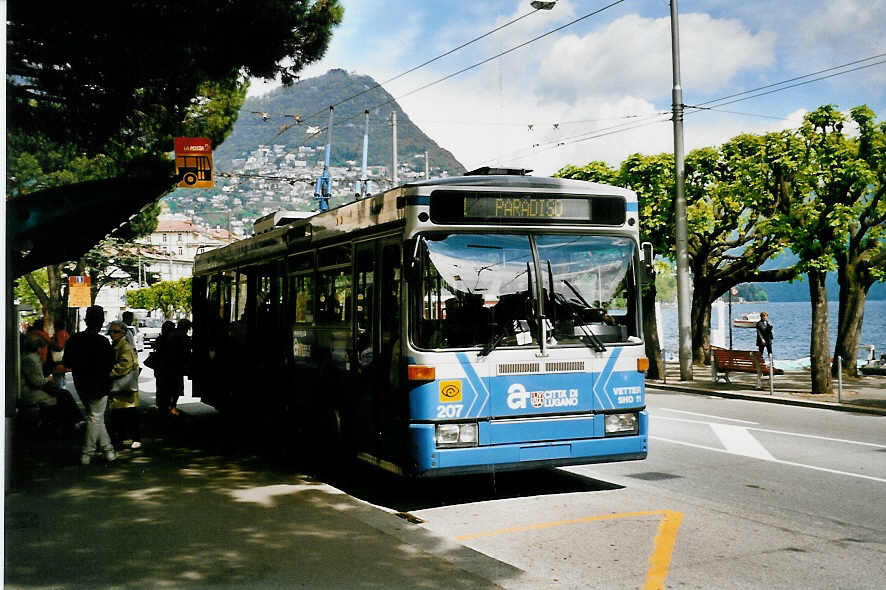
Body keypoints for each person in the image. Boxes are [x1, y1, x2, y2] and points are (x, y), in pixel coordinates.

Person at [63, 306, 117, 465]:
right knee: (96, 417)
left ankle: (108, 450)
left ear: (86, 320)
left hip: (81, 383)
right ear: (101, 322)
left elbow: (67, 362)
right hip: (100, 385)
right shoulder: (103, 341)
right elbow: (110, 364)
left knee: (94, 417)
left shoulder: (74, 339)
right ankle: (87, 453)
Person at [18, 333, 84, 431]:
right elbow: (37, 382)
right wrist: (49, 379)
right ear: (39, 348)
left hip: (36, 387)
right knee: (63, 395)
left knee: (63, 394)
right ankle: (75, 421)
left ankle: (73, 422)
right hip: (31, 391)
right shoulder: (30, 359)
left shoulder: (31, 357)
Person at [108, 320, 142, 450]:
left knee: (129, 413)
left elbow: (125, 365)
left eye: (115, 331)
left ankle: (135, 438)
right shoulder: (118, 345)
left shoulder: (125, 347)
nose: (112, 334)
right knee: (121, 413)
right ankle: (122, 438)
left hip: (124, 385)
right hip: (120, 386)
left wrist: (110, 373)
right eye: (111, 331)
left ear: (122, 333)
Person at [153, 320, 182, 417]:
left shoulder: (160, 339)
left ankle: (163, 408)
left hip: (162, 370)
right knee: (173, 390)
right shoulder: (175, 340)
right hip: (172, 370)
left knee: (162, 390)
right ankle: (171, 407)